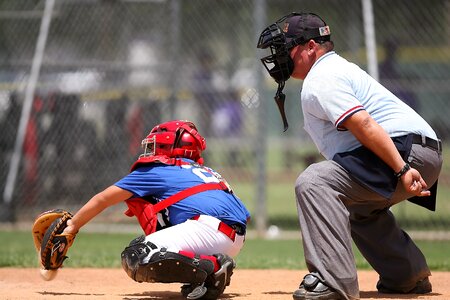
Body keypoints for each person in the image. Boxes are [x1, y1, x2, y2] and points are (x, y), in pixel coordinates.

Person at [257, 12, 442, 300]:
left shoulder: (322, 76)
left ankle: (333, 281)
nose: (280, 54)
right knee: (358, 207)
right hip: (419, 151)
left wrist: (402, 169)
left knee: (315, 182)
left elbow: (363, 124)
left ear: (310, 47)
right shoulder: (333, 70)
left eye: (286, 46)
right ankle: (406, 274)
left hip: (404, 153)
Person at [62, 119, 250, 300]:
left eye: (156, 145)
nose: (151, 150)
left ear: (170, 147)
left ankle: (213, 267)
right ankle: (208, 276)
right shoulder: (208, 172)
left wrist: (72, 225)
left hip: (207, 231)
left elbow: (103, 199)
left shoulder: (157, 169)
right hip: (236, 239)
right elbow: (244, 215)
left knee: (138, 254)